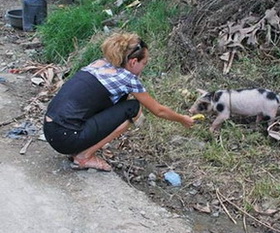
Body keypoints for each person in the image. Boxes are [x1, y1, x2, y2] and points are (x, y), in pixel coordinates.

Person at [43, 31, 195, 172]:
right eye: (144, 63)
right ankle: (84, 156)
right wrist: (182, 119)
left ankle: (80, 147)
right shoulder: (127, 79)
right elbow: (158, 110)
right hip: (65, 138)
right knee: (133, 108)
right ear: (134, 62)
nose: (144, 68)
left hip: (50, 129)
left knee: (121, 100)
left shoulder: (99, 64)